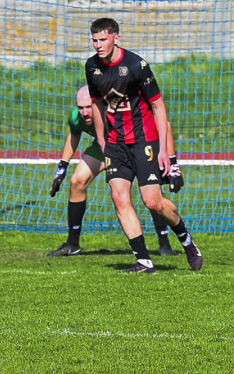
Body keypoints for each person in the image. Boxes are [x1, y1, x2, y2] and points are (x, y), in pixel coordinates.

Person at [84, 17, 202, 273]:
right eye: (94, 40)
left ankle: (186, 239)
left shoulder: (137, 65)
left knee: (153, 202)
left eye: (103, 39)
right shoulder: (92, 66)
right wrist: (102, 138)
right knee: (119, 197)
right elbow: (96, 103)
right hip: (115, 143)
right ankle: (144, 261)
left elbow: (159, 107)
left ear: (117, 38)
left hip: (144, 140)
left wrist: (165, 153)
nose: (98, 45)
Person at [48, 85, 184, 257]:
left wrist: (173, 165)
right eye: (80, 107)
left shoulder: (120, 110)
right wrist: (62, 168)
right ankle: (72, 244)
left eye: (89, 106)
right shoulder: (77, 117)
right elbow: (74, 135)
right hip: (104, 147)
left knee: (151, 194)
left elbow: (165, 125)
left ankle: (164, 243)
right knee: (77, 181)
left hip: (134, 145)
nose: (84, 112)